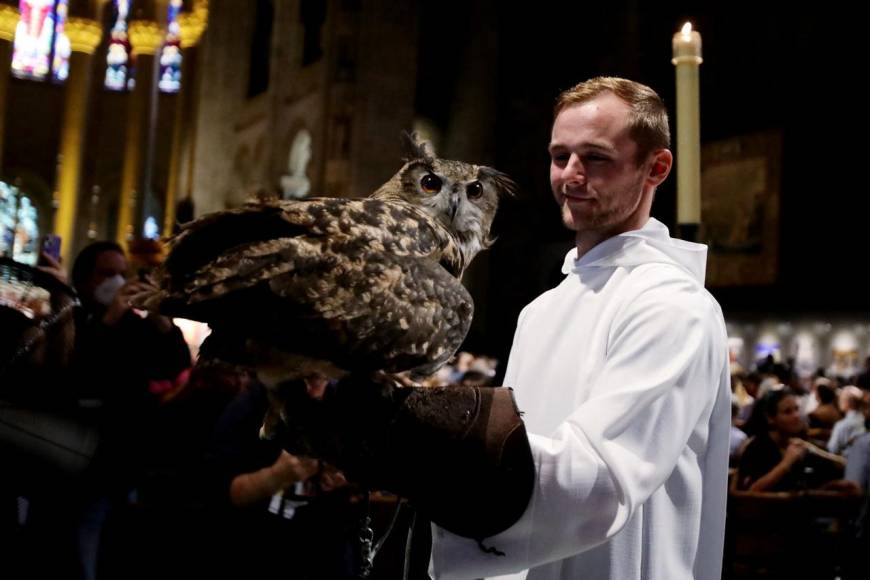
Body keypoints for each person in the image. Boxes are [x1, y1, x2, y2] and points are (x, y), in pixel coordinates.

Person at [280, 77, 730, 580]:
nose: (571, 176)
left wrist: (411, 434)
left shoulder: (673, 305)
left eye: (596, 158)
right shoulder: (541, 310)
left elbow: (599, 480)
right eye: (560, 157)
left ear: (656, 167)